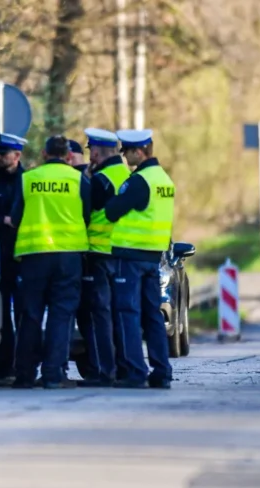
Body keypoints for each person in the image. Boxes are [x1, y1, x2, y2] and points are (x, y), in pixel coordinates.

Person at [9, 135, 90, 389]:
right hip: (68, 257)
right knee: (61, 315)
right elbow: (88, 214)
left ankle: (23, 375)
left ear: (44, 154)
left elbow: (14, 217)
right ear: (68, 156)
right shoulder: (79, 180)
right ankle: (54, 374)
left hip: (34, 256)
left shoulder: (28, 179)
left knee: (30, 315)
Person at [104, 129, 175, 389]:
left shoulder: (139, 181)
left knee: (127, 313)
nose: (125, 157)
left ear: (139, 151)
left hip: (130, 256)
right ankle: (162, 372)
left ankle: (135, 372)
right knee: (153, 315)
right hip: (152, 257)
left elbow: (112, 211)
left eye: (127, 152)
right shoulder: (164, 179)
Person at [76, 128, 129, 387]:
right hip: (123, 254)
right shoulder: (127, 175)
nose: (90, 157)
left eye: (91, 151)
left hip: (99, 255)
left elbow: (85, 214)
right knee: (123, 315)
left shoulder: (100, 180)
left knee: (101, 315)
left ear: (96, 152)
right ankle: (125, 368)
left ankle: (105, 371)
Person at [0, 132, 27, 386]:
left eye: (4, 154)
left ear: (17, 155)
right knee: (1, 315)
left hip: (22, 256)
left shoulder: (27, 181)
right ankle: (4, 368)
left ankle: (23, 366)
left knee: (25, 314)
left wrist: (5, 219)